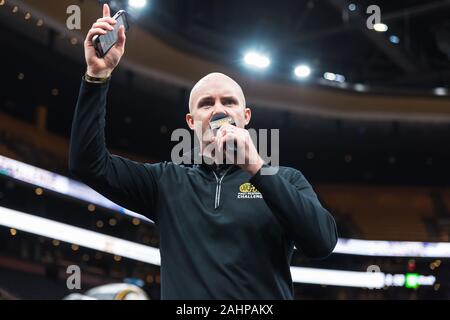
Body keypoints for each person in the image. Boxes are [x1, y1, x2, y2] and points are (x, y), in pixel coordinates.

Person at [69, 4, 338, 299]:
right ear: (191, 121)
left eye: (229, 102)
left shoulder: (286, 179)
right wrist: (97, 77)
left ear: (245, 116)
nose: (219, 110)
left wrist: (258, 169)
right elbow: (87, 164)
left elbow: (322, 243)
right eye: (207, 103)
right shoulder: (166, 183)